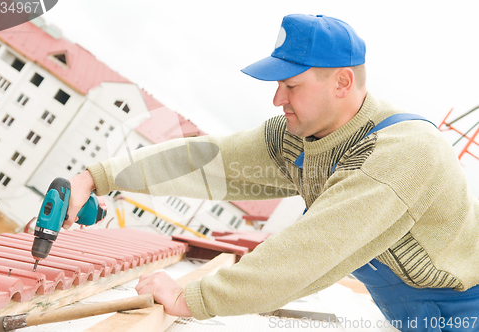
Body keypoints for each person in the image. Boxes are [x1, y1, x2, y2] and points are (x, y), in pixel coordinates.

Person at [65, 14, 479, 331]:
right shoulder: (300, 135)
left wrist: (188, 298)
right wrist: (96, 177)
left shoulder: (402, 155)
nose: (277, 97)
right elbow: (207, 161)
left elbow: (308, 254)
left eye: (292, 85)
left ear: (342, 82)